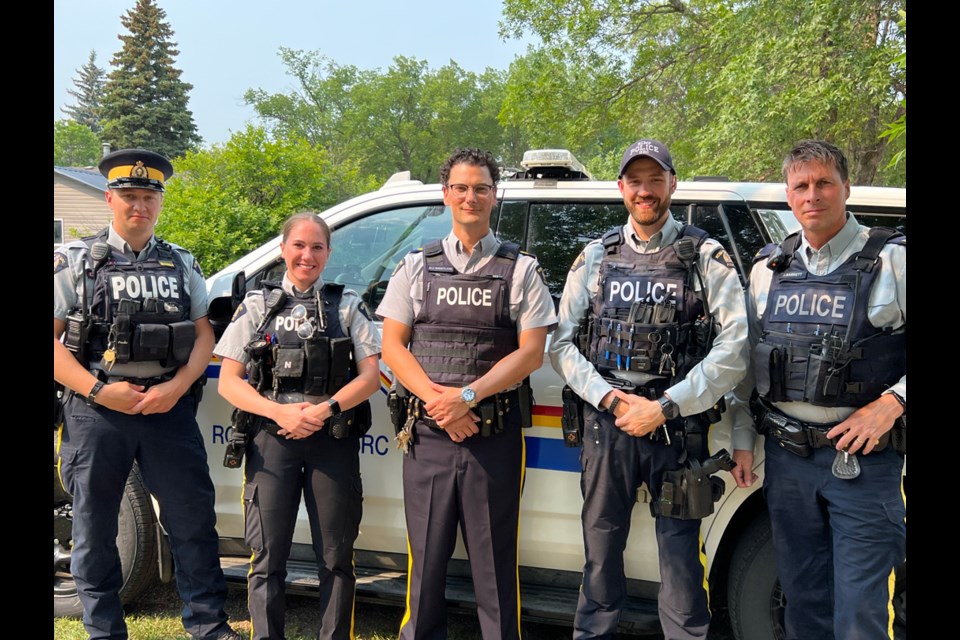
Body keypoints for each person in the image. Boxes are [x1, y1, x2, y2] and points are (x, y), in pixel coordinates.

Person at [548, 138, 749, 639]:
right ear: (621, 188)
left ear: (672, 184)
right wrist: (613, 399)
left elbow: (737, 345)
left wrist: (663, 407)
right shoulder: (595, 256)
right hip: (608, 422)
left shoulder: (704, 255)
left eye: (654, 179)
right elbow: (561, 343)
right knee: (599, 550)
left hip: (676, 427)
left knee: (681, 560)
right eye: (635, 181)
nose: (645, 190)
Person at [53, 149, 241, 640]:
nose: (140, 206)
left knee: (192, 521)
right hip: (97, 412)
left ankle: (208, 626)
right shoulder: (76, 261)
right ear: (110, 199)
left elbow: (204, 335)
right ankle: (104, 631)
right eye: (130, 197)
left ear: (159, 203)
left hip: (167, 410)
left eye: (148, 197)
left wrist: (177, 388)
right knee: (95, 532)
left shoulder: (181, 262)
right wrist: (98, 390)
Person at [377, 147, 557, 639]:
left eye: (481, 187)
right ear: (446, 195)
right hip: (429, 436)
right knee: (426, 567)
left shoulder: (521, 270)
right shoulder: (417, 266)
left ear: (494, 196)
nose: (470, 196)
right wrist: (441, 403)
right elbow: (392, 346)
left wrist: (467, 398)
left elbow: (531, 353)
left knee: (495, 569)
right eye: (461, 187)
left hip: (492, 438)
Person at [729, 139, 906, 640]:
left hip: (864, 463)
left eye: (824, 182)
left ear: (845, 187)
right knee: (802, 604)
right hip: (788, 461)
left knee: (861, 613)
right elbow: (748, 365)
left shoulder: (892, 261)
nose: (813, 195)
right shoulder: (769, 268)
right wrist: (744, 438)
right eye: (801, 185)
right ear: (788, 195)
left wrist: (892, 403)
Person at [215, 212, 382, 640]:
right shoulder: (257, 305)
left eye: (317, 247)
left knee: (336, 555)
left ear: (328, 252)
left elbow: (370, 377)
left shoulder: (346, 304)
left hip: (331, 440)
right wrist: (280, 413)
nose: (307, 255)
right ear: (283, 248)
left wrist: (322, 410)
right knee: (267, 556)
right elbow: (230, 384)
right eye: (299, 246)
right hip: (272, 442)